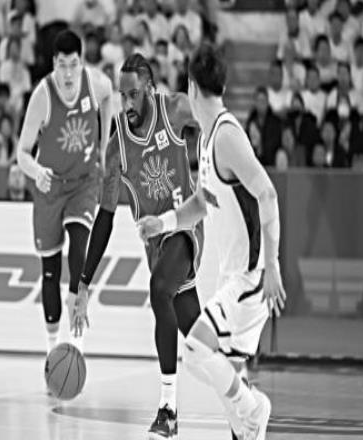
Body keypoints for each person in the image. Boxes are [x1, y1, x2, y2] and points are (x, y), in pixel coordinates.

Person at [138, 44, 286, 440]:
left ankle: (255, 407)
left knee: (195, 351)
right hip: (233, 275)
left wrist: (272, 265)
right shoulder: (206, 138)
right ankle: (247, 419)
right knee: (229, 384)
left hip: (249, 277)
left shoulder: (226, 137)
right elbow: (203, 203)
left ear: (191, 86)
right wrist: (162, 223)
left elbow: (268, 193)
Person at [73, 53, 203, 440]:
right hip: (156, 246)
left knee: (159, 290)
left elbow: (214, 119)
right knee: (199, 340)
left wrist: (219, 165)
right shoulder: (116, 148)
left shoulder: (175, 109)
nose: (127, 103)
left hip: (185, 227)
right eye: (122, 95)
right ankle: (241, 396)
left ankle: (168, 409)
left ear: (149, 89)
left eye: (133, 94)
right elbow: (105, 218)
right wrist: (84, 283)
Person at [16, 29, 113, 354]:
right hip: (51, 187)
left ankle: (76, 340)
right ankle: (51, 349)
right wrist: (37, 171)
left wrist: (104, 147)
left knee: (79, 247)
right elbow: (21, 153)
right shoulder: (42, 97)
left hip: (84, 181)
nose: (68, 73)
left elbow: (109, 97)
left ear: (81, 62)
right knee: (50, 271)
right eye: (62, 65)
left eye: (73, 65)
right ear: (53, 64)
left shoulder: (94, 82)